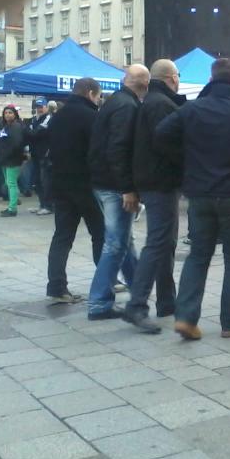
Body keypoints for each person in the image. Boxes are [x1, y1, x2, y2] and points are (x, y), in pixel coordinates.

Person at [155, 58, 230, 340]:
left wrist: (186, 159)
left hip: (200, 192)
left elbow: (161, 133)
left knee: (198, 255)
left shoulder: (192, 109)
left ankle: (186, 318)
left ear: (211, 78)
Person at [124, 59, 186, 333]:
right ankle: (137, 305)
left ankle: (166, 301)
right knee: (158, 241)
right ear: (172, 77)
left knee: (165, 241)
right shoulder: (161, 104)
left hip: (154, 179)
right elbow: (167, 144)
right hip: (160, 181)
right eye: (179, 76)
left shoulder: (152, 101)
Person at [86, 64, 150, 320]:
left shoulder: (114, 102)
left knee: (123, 241)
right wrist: (127, 188)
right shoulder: (128, 107)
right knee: (115, 244)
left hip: (103, 182)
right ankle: (99, 302)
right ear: (144, 85)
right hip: (114, 185)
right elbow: (119, 148)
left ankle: (137, 294)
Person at [45, 78, 105, 304]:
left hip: (60, 183)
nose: (99, 101)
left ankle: (57, 286)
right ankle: (105, 282)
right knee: (100, 234)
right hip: (86, 184)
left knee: (62, 236)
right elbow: (98, 152)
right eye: (98, 96)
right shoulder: (91, 117)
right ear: (90, 93)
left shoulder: (57, 116)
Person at [0, 105, 26, 217]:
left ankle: (12, 208)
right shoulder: (3, 126)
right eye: (6, 113)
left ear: (15, 114)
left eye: (10, 112)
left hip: (12, 159)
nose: (8, 115)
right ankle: (14, 201)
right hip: (3, 159)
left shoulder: (16, 127)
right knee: (9, 183)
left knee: (11, 183)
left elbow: (17, 144)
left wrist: (8, 154)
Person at [27, 98, 53, 215]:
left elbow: (36, 133)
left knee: (45, 181)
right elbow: (29, 133)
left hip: (45, 155)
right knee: (37, 180)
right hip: (35, 154)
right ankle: (42, 204)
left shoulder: (48, 118)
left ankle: (48, 206)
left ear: (46, 107)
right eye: (37, 107)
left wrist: (31, 133)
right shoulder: (34, 119)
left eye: (41, 106)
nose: (39, 109)